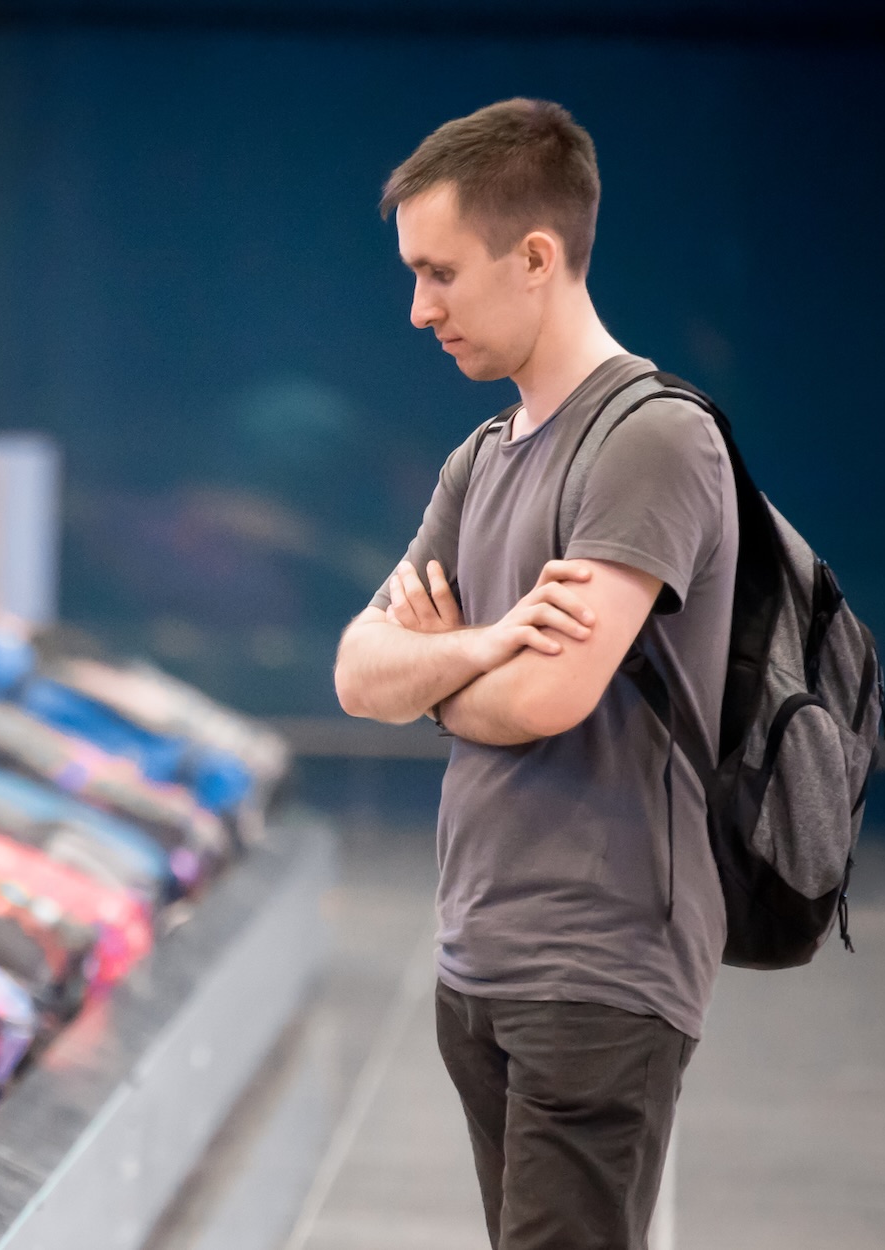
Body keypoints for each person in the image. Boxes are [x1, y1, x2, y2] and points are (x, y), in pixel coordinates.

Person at [332, 99, 738, 1249]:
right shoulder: (482, 456)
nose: (420, 309)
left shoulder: (651, 438)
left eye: (440, 272)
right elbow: (359, 670)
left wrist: (440, 676)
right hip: (481, 951)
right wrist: (485, 640)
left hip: (597, 966)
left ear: (538, 256)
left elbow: (552, 696)